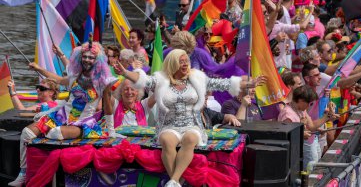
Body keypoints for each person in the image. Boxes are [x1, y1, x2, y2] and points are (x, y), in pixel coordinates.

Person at [116, 49, 260, 187]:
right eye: (181, 61)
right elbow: (143, 80)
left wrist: (248, 84)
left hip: (192, 124)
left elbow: (224, 83)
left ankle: (173, 180)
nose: (185, 64)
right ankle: (177, 182)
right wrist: (125, 72)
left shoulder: (197, 78)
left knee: (190, 139)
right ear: (173, 64)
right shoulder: (161, 80)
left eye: (187, 61)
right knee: (166, 140)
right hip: (169, 125)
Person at [8, 41, 117, 187]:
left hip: (83, 123)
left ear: (97, 60)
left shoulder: (104, 81)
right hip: (61, 116)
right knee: (26, 133)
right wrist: (39, 68)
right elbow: (58, 79)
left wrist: (111, 131)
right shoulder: (74, 75)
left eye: (91, 58)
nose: (87, 60)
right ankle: (23, 173)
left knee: (55, 133)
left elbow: (108, 107)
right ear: (80, 57)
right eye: (84, 57)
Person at [278, 85, 338, 170]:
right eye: (309, 103)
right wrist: (301, 134)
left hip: (297, 152)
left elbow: (312, 126)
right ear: (301, 101)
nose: (309, 106)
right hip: (290, 156)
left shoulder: (301, 110)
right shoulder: (287, 115)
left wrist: (327, 117)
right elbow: (286, 137)